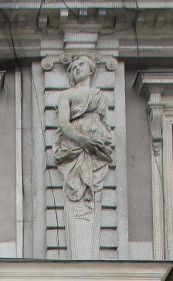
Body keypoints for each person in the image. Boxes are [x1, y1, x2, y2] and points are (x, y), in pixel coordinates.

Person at [53, 54, 114, 214]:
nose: (77, 68)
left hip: (97, 143)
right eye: (74, 68)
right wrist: (83, 140)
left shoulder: (99, 95)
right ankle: (84, 202)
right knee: (78, 178)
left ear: (91, 69)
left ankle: (89, 200)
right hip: (75, 143)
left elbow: (105, 122)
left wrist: (103, 140)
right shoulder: (66, 94)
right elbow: (64, 124)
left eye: (81, 65)